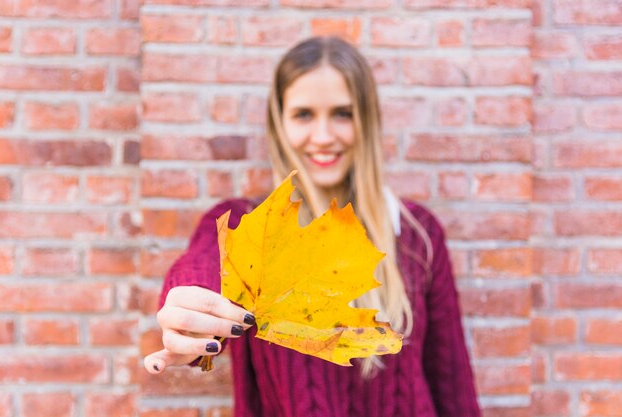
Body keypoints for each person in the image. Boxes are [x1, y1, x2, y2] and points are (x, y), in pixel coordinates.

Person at [144, 36, 481, 417]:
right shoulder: (249, 225)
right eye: (304, 115)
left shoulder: (418, 235)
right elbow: (205, 267)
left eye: (342, 113)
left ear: (367, 120)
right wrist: (189, 310)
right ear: (280, 122)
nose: (323, 137)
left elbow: (453, 388)